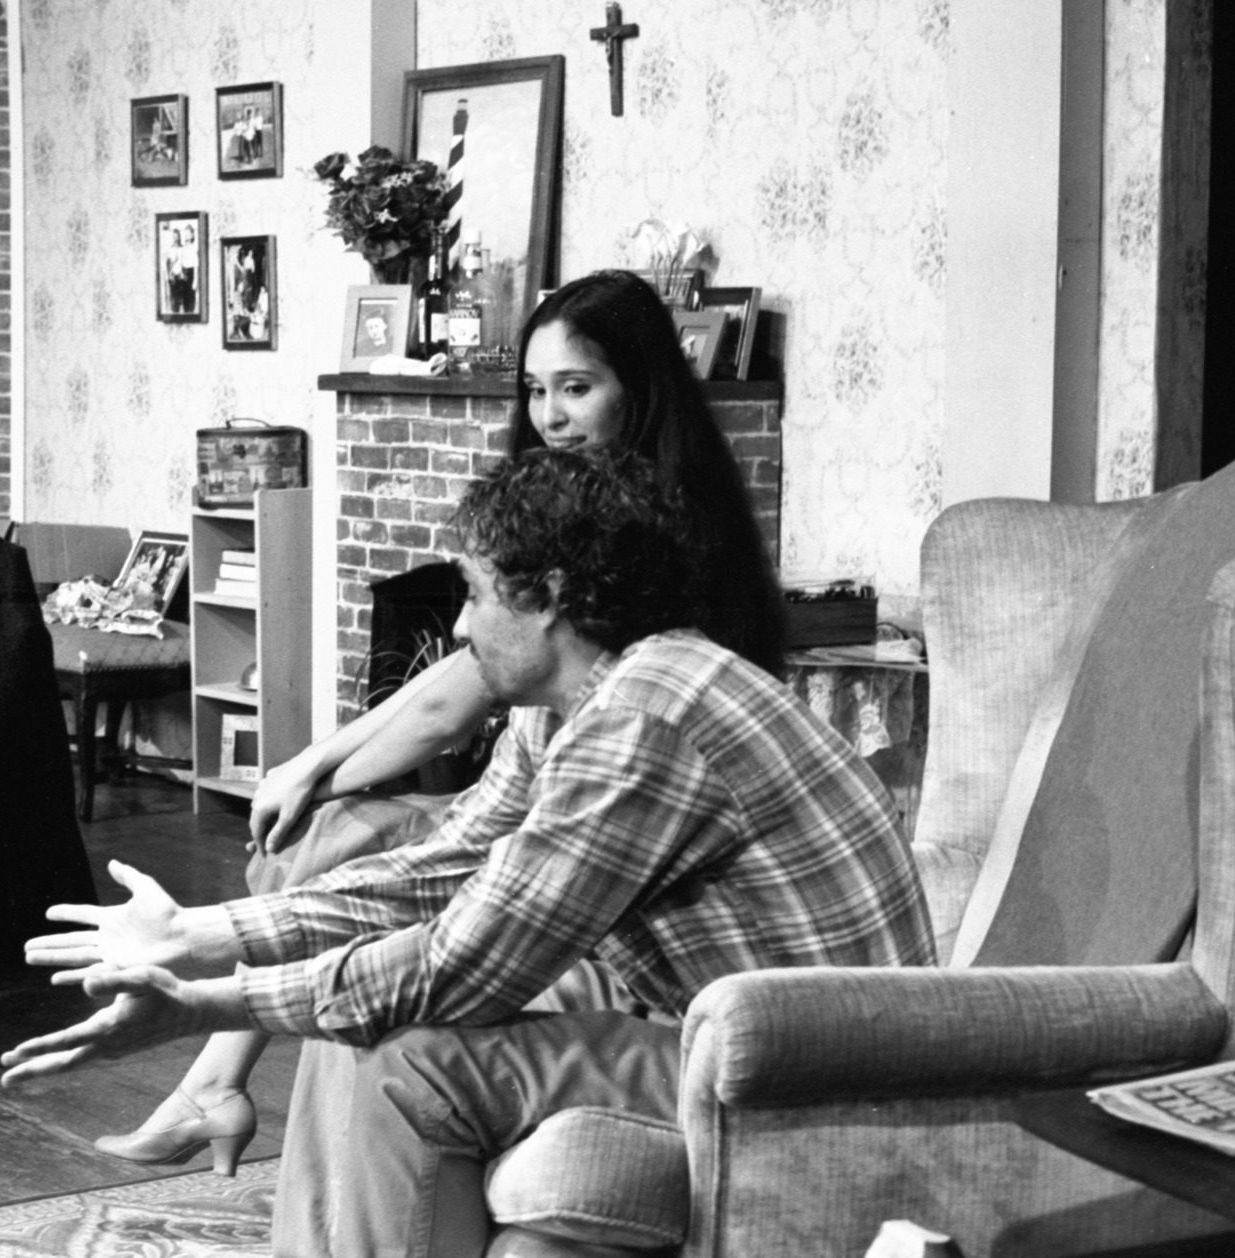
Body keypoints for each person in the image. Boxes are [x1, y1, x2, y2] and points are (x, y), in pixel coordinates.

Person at [3, 448, 935, 1255]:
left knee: (410, 1059)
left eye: (477, 594)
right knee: (358, 1009)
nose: (457, 627)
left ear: (551, 598)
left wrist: (208, 1003)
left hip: (810, 1072)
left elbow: (463, 966)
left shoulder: (646, 717)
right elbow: (442, 868)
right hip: (707, 1023)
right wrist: (204, 932)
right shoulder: (573, 703)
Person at [93, 267, 787, 1166]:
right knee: (322, 835)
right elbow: (467, 678)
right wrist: (311, 770)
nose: (550, 416)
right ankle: (216, 1083)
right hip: (550, 808)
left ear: (641, 391)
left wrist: (315, 780)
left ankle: (215, 1081)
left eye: (576, 388)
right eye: (534, 390)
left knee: (336, 850)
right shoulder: (555, 540)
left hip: (645, 881)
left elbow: (456, 701)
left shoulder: (645, 573)